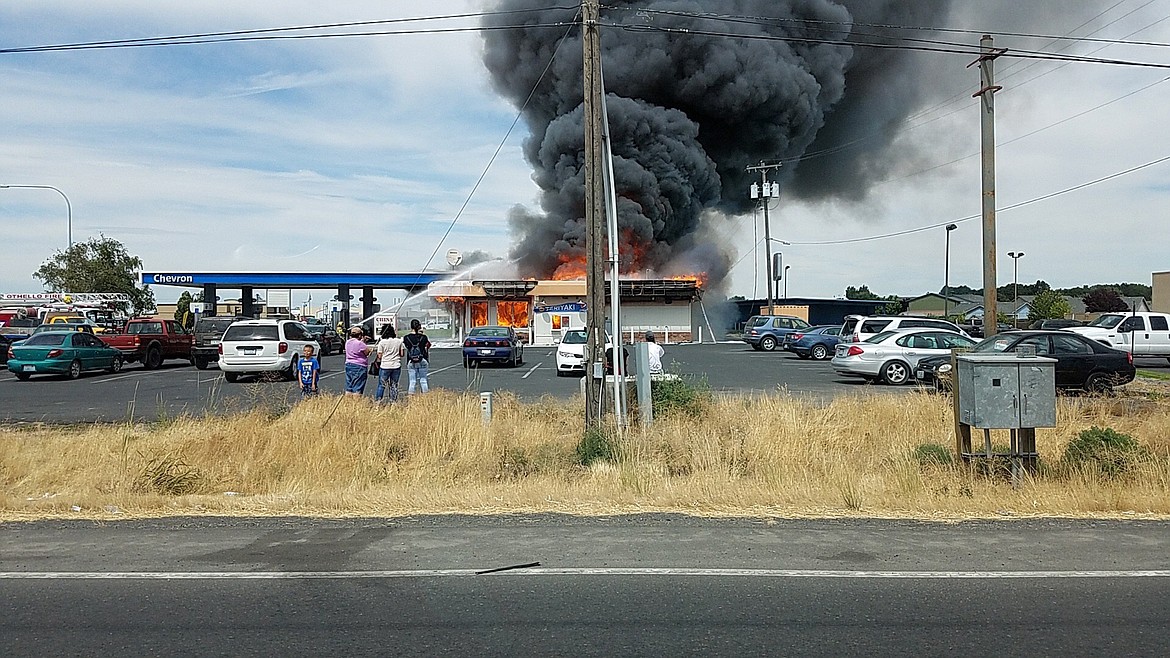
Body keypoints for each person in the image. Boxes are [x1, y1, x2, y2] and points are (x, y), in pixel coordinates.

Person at [375, 323, 404, 403]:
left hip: (385, 365)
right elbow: (402, 354)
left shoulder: (382, 342)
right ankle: (393, 401)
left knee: (381, 385)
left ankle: (378, 401)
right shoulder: (399, 341)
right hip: (396, 365)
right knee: (394, 385)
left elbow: (379, 356)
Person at [402, 318, 432, 394]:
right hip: (422, 359)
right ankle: (425, 396)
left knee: (412, 381)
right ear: (419, 326)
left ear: (411, 327)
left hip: (411, 360)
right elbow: (428, 345)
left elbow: (406, 346)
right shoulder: (423, 337)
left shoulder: (406, 338)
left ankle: (411, 397)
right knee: (423, 380)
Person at [343, 326, 374, 396]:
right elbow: (366, 352)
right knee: (358, 386)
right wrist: (368, 348)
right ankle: (357, 402)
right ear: (360, 335)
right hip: (359, 365)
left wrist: (363, 341)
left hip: (349, 364)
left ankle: (347, 402)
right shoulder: (360, 344)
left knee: (349, 385)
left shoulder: (347, 342)